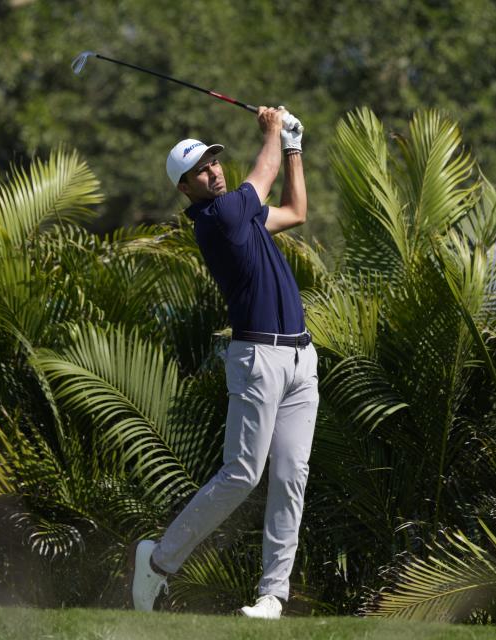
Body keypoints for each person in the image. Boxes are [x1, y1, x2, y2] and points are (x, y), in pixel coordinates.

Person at [130, 107, 318, 619]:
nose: (214, 171)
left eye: (215, 162)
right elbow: (265, 173)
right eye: (201, 171)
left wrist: (295, 147)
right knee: (242, 474)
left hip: (301, 358)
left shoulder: (244, 212)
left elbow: (296, 211)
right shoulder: (220, 217)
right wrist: (276, 131)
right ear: (185, 189)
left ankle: (272, 596)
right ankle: (159, 560)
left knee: (290, 476)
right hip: (258, 357)